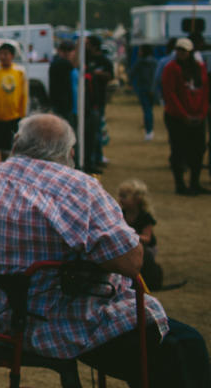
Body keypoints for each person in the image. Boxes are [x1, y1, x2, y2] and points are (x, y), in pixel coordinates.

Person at [0, 114, 211, 388]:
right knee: (185, 345)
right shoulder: (77, 187)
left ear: (16, 143)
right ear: (69, 153)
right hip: (55, 323)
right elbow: (132, 262)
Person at [161, 37, 209, 196]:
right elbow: (170, 93)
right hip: (177, 117)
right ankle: (180, 184)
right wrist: (183, 114)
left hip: (197, 115)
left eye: (184, 51)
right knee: (179, 150)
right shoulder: (171, 68)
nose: (181, 53)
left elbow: (204, 92)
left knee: (198, 149)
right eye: (179, 50)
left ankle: (194, 182)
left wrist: (202, 113)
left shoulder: (199, 68)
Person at [116, 179, 163, 290]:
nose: (120, 199)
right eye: (120, 196)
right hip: (131, 245)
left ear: (137, 199)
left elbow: (147, 238)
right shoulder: (121, 213)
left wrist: (131, 234)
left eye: (124, 196)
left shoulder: (145, 217)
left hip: (147, 248)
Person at [0, 43, 26, 162]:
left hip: (13, 118)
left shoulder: (19, 72)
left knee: (7, 153)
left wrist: (22, 116)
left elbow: (24, 95)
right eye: (1, 54)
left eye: (6, 54)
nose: (3, 57)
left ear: (12, 56)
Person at [84, 35, 113, 173]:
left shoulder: (104, 61)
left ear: (94, 46)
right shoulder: (86, 58)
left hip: (98, 100)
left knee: (96, 131)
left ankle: (98, 157)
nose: (86, 46)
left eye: (88, 43)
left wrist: (98, 74)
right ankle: (93, 158)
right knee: (91, 132)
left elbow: (110, 76)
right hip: (87, 102)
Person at [128, 45, 158, 141]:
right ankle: (150, 128)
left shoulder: (140, 62)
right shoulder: (155, 62)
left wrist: (130, 83)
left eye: (140, 51)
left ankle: (148, 130)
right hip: (153, 89)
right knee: (150, 110)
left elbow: (132, 73)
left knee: (146, 110)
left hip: (143, 88)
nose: (138, 52)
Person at [49, 39, 77, 127]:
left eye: (69, 50)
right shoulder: (58, 63)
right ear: (59, 51)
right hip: (63, 106)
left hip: (72, 106)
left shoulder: (72, 66)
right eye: (64, 50)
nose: (67, 53)